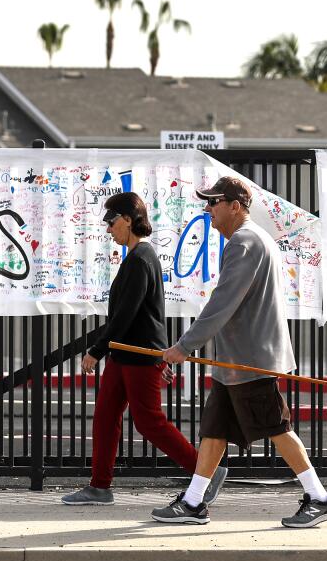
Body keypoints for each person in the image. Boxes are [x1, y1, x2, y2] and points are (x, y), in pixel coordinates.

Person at [152, 176, 327, 528]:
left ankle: (320, 497)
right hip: (235, 362)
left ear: (235, 206)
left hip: (249, 360)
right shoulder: (254, 240)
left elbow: (222, 303)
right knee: (214, 429)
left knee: (277, 427)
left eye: (213, 203)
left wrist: (183, 347)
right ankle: (194, 501)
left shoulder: (244, 242)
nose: (207, 210)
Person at [61, 192, 227, 506]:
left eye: (111, 222)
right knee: (106, 417)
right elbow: (141, 314)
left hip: (138, 357)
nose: (108, 229)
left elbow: (126, 313)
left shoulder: (140, 259)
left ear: (127, 219)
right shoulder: (138, 257)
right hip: (126, 356)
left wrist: (96, 350)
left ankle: (205, 473)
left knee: (149, 421)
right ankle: (99, 486)